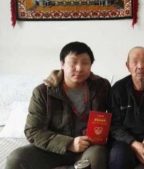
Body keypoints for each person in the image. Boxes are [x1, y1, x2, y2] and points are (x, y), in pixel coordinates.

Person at [5, 41, 111, 169]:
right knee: (16, 159)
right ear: (62, 64)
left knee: (96, 157)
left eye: (85, 63)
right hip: (54, 148)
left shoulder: (101, 87)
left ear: (90, 65)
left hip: (88, 147)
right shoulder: (43, 92)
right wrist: (69, 143)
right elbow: (33, 131)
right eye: (73, 63)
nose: (79, 68)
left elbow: (115, 116)